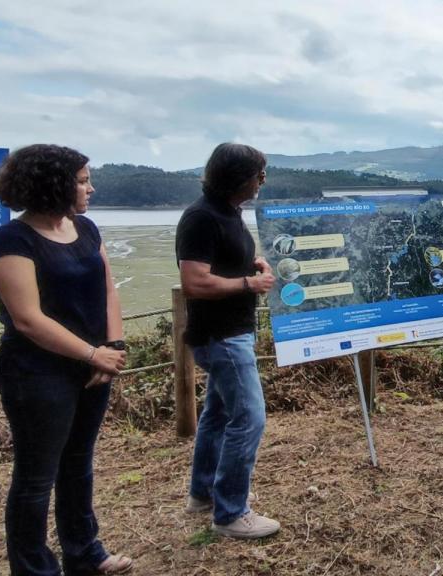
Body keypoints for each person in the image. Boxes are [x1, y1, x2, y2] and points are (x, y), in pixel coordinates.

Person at [0, 144, 132, 575]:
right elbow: (28, 319)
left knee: (78, 464)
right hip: (37, 373)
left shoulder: (86, 229)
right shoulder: (11, 239)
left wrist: (114, 348)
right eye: (84, 180)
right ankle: (35, 569)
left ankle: (84, 552)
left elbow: (108, 290)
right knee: (36, 478)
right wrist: (94, 354)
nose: (91, 187)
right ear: (55, 184)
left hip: (93, 365)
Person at [177, 143, 279, 539]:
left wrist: (254, 266)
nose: (262, 181)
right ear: (236, 177)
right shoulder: (201, 218)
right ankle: (231, 513)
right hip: (222, 337)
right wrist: (248, 283)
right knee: (250, 418)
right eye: (258, 174)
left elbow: (222, 263)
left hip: (231, 332)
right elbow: (194, 281)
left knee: (218, 415)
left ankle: (203, 494)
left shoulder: (226, 213)